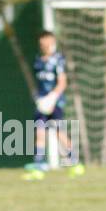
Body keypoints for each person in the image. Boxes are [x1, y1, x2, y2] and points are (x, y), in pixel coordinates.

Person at [23, 30, 83, 179]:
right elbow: (36, 82)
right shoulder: (38, 60)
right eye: (43, 43)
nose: (46, 45)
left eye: (49, 42)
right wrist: (38, 98)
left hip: (55, 102)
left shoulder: (58, 60)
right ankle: (38, 166)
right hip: (42, 103)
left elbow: (62, 82)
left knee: (59, 132)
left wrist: (52, 97)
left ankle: (74, 162)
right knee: (40, 132)